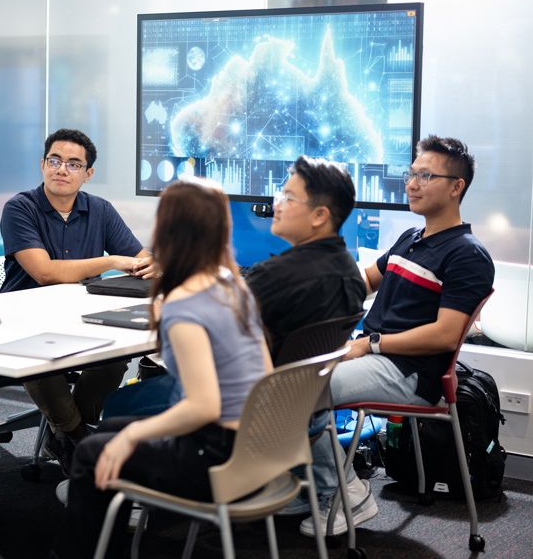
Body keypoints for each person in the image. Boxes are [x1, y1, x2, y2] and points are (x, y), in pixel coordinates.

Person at [50, 178, 271, 558]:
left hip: (219, 460)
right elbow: (267, 377)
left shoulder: (183, 304)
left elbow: (203, 407)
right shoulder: (235, 287)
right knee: (109, 429)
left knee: (93, 452)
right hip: (259, 448)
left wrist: (132, 440)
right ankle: (107, 537)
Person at [301, 135, 495, 537]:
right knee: (279, 370)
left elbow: (445, 336)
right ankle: (320, 488)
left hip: (409, 372)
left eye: (425, 175)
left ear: (456, 186)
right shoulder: (412, 239)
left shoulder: (466, 254)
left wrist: (370, 344)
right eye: (411, 174)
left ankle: (344, 494)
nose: (411, 184)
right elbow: (365, 281)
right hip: (374, 355)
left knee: (294, 393)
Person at [0, 128, 154, 472]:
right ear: (42, 165)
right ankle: (78, 440)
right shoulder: (20, 208)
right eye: (54, 160)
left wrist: (152, 261)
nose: (61, 169)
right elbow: (44, 273)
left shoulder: (99, 209)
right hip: (23, 316)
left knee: (116, 357)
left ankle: (65, 435)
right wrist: (112, 261)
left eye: (73, 164)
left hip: (82, 317)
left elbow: (139, 258)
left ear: (88, 174)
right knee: (41, 358)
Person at [245, 155, 366, 361]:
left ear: (320, 215)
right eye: (280, 196)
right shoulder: (352, 276)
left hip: (244, 388)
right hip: (299, 391)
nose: (277, 206)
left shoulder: (274, 276)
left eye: (289, 198)